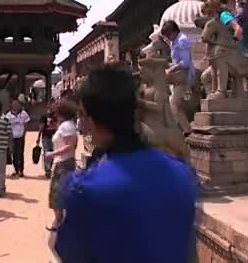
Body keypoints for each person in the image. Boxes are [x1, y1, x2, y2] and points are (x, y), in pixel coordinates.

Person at [53, 65, 197, 263]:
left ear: (91, 119)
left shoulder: (85, 188)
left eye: (83, 115)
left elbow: (68, 254)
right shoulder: (182, 173)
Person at [43, 100, 78, 231]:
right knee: (59, 193)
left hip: (64, 162)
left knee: (58, 193)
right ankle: (60, 221)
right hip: (63, 162)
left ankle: (59, 222)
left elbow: (70, 146)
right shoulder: (66, 125)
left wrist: (52, 154)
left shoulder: (67, 126)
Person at [160, 20, 196, 135]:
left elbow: (185, 62)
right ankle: (178, 128)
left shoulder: (182, 41)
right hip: (177, 78)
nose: (168, 38)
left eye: (168, 35)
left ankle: (187, 129)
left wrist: (171, 69)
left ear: (173, 32)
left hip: (185, 77)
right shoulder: (174, 42)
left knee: (174, 102)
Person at [5, 99, 30, 178]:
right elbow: (6, 125)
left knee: (20, 153)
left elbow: (26, 124)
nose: (16, 105)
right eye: (14, 103)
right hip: (12, 137)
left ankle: (21, 170)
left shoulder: (23, 114)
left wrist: (24, 134)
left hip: (20, 136)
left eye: (17, 104)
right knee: (14, 153)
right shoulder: (8, 115)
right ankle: (16, 169)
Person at [37, 105, 58, 179]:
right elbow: (41, 127)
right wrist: (38, 136)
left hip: (54, 137)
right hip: (46, 136)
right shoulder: (44, 116)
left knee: (52, 153)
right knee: (46, 152)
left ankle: (49, 167)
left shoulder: (57, 116)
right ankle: (47, 170)